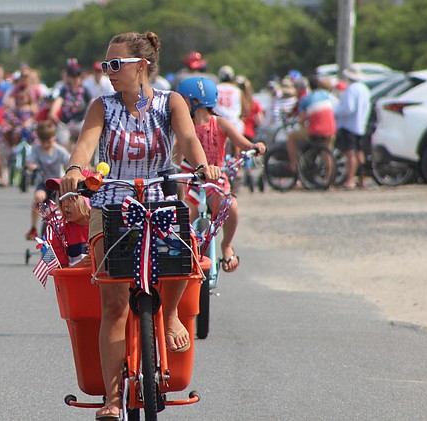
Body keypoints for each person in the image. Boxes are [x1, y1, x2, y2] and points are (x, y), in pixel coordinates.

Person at [59, 32, 221, 421]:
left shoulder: (171, 103)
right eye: (106, 65)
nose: (108, 72)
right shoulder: (102, 106)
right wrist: (73, 170)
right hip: (113, 200)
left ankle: (169, 317)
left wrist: (202, 168)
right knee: (113, 304)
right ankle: (113, 399)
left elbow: (188, 138)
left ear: (141, 66)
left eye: (115, 65)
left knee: (184, 252)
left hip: (161, 193)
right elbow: (85, 145)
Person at [176, 77, 266, 274]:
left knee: (230, 206)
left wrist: (253, 147)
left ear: (194, 101)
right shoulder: (184, 126)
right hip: (190, 179)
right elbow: (175, 153)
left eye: (182, 99)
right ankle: (182, 251)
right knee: (184, 214)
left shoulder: (220, 123)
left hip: (216, 178)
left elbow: (242, 142)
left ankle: (226, 245)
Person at [24, 120, 70, 241]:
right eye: (43, 142)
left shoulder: (60, 151)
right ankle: (34, 227)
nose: (45, 145)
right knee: (38, 197)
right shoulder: (36, 149)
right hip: (44, 183)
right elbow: (30, 162)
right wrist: (31, 166)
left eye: (48, 142)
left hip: (58, 184)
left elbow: (69, 163)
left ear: (54, 138)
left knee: (61, 204)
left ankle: (62, 227)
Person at [286, 75, 336, 174]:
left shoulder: (306, 99)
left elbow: (302, 119)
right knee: (327, 153)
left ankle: (293, 165)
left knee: (291, 137)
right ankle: (329, 180)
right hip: (331, 129)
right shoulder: (327, 95)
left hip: (316, 130)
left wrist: (302, 126)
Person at [335, 65, 372, 189]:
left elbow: (348, 108)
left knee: (350, 154)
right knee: (359, 153)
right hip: (361, 125)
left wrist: (336, 112)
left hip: (350, 125)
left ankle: (350, 180)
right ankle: (362, 179)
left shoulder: (351, 89)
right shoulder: (364, 89)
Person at [215, 65, 245, 135]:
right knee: (237, 144)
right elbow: (245, 110)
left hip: (218, 124)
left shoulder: (215, 88)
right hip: (234, 123)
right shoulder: (237, 90)